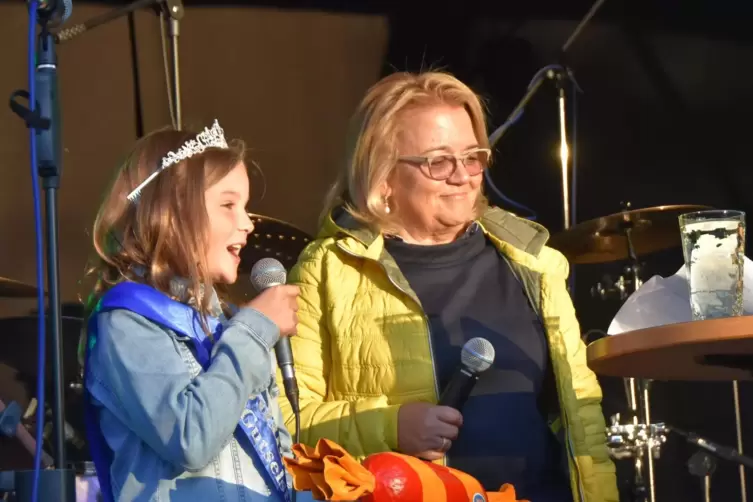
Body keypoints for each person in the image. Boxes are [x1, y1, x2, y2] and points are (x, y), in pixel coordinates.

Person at [278, 72, 618, 502]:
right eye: (439, 161)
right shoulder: (327, 271)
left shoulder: (535, 264)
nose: (463, 176)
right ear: (382, 177)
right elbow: (287, 419)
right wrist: (391, 426)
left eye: (473, 156)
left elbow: (583, 422)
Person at [81, 121, 300, 502]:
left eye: (246, 207)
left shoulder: (229, 326)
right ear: (171, 211)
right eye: (229, 205)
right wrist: (252, 333)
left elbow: (275, 457)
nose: (248, 223)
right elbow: (190, 436)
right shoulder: (127, 322)